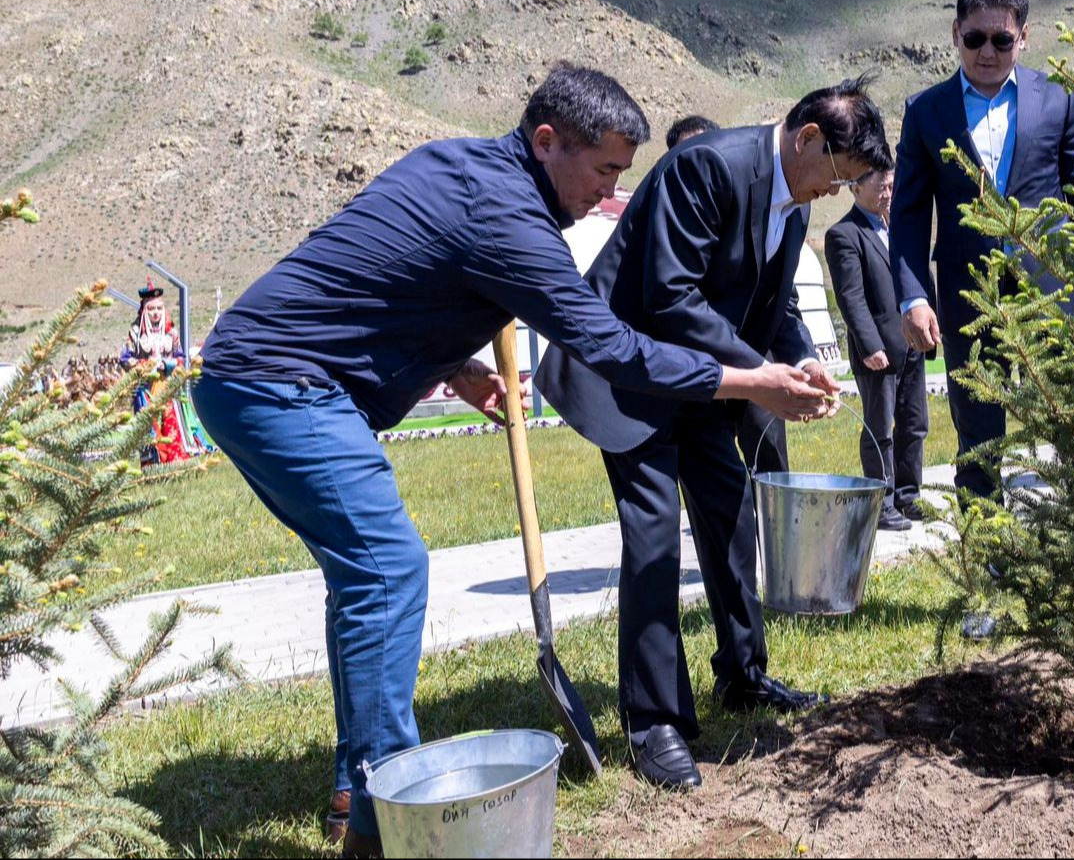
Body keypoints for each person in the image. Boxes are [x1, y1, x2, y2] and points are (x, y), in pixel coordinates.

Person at [192, 65, 828, 856]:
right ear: (547, 140)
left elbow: (384, 269)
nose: (604, 197)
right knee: (388, 569)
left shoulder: (454, 164)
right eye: (601, 172)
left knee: (363, 577)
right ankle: (383, 820)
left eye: (618, 178)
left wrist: (450, 364)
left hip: (252, 375)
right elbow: (609, 346)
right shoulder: (511, 219)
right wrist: (749, 380)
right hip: (280, 385)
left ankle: (359, 780)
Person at [536, 75, 891, 791]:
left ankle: (743, 673)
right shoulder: (707, 167)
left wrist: (798, 359)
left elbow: (773, 303)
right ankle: (654, 721)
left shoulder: (791, 213)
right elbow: (669, 296)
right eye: (838, 175)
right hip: (627, 376)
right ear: (809, 138)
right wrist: (759, 371)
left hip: (700, 383)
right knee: (655, 535)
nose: (834, 193)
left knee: (731, 514)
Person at [889, 0, 1074, 504]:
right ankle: (984, 558)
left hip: (1054, 296)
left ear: (1023, 37)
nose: (988, 51)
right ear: (955, 32)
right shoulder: (925, 111)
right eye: (975, 38)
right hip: (967, 298)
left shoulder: (1059, 103)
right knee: (978, 433)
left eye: (1001, 40)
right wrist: (914, 297)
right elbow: (910, 215)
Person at [668, 114, 791, 476]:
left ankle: (771, 524)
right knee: (710, 469)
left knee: (769, 455)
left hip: (753, 357)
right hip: (697, 369)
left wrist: (798, 361)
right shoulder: (670, 224)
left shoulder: (760, 207)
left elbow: (784, 302)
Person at [825, 167, 929, 531]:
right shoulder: (844, 234)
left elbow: (916, 276)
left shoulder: (899, 227)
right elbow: (851, 297)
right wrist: (869, 345)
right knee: (879, 430)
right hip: (879, 351)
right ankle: (881, 504)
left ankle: (908, 495)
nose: (888, 192)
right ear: (855, 187)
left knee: (915, 424)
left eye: (891, 184)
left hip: (912, 344)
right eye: (880, 186)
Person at [121, 283, 193, 465]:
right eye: (151, 308)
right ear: (144, 310)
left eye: (159, 308)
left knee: (170, 422)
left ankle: (173, 463)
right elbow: (124, 358)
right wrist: (144, 366)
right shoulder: (135, 334)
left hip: (166, 385)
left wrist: (166, 365)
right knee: (148, 425)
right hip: (145, 388)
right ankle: (151, 465)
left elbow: (181, 358)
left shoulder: (171, 333)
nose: (155, 313)